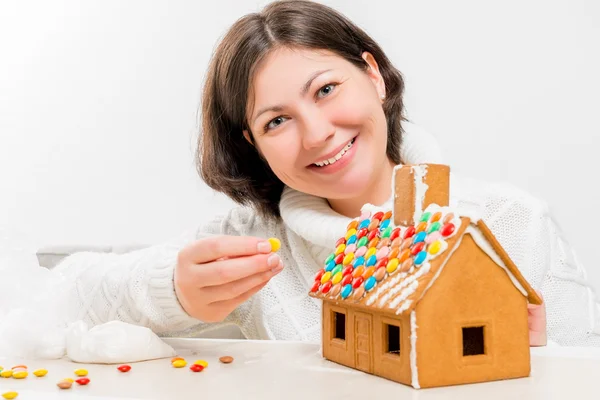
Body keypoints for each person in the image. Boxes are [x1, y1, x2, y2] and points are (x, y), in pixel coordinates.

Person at [54, 0, 599, 346]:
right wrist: (175, 290)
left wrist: (537, 357)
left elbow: (585, 365)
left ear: (374, 76)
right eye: (277, 120)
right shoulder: (257, 244)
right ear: (254, 145)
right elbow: (66, 294)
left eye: (326, 90)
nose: (316, 133)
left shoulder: (509, 223)